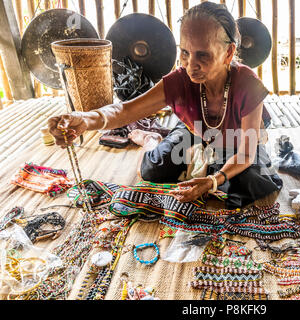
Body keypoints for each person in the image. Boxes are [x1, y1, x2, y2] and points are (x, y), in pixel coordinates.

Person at [48, 1, 282, 209]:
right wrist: (85, 119)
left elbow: (246, 152)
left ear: (228, 52)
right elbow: (125, 110)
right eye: (185, 53)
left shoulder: (247, 83)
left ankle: (204, 165)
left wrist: (212, 180)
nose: (191, 65)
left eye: (203, 55)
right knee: (151, 172)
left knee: (249, 182)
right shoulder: (180, 80)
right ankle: (150, 139)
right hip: (196, 131)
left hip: (236, 138)